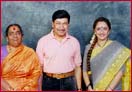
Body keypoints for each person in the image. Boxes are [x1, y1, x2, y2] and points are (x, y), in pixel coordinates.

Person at [36, 10, 82, 91]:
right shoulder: (43, 41)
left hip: (69, 82)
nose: (61, 27)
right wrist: (39, 88)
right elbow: (39, 68)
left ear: (68, 25)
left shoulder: (74, 42)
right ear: (52, 24)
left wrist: (79, 88)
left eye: (64, 23)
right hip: (49, 82)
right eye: (58, 23)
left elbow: (78, 67)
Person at [83, 17, 131, 91]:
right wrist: (89, 86)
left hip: (114, 89)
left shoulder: (116, 46)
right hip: (96, 88)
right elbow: (84, 71)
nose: (102, 32)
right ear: (94, 31)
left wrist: (109, 89)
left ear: (109, 31)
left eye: (105, 29)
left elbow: (121, 71)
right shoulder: (88, 48)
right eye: (98, 29)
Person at [1, 24, 42, 91]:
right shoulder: (1, 52)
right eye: (11, 34)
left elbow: (36, 73)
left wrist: (26, 88)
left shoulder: (30, 53)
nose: (15, 36)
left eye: (18, 33)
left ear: (22, 37)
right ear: (7, 38)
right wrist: (9, 89)